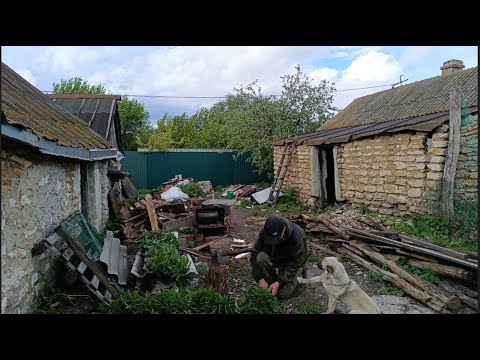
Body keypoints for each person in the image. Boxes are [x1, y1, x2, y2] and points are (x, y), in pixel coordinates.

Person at [250, 215, 308, 299]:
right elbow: (254, 254)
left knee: (282, 294)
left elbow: (295, 263)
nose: (273, 242)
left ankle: (302, 270)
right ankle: (272, 282)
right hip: (276, 258)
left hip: (292, 262)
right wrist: (260, 278)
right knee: (260, 257)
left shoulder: (297, 236)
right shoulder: (264, 232)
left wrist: (279, 282)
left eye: (276, 239)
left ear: (284, 229)